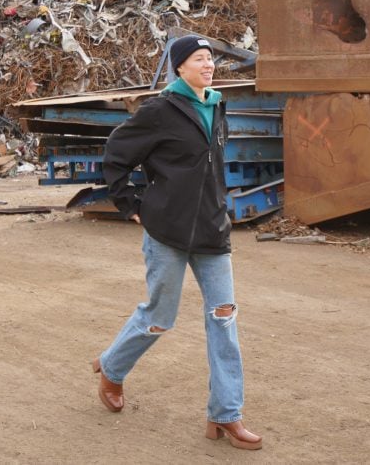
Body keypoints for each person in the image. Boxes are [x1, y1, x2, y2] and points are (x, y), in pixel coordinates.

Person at [91, 35, 263, 451]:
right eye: (200, 60)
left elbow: (213, 170)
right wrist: (132, 205)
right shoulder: (159, 111)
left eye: (210, 60)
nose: (208, 66)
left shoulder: (217, 105)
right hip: (166, 233)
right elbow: (116, 154)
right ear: (180, 67)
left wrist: (221, 210)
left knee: (224, 319)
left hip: (210, 233)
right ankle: (112, 369)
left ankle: (226, 416)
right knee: (158, 317)